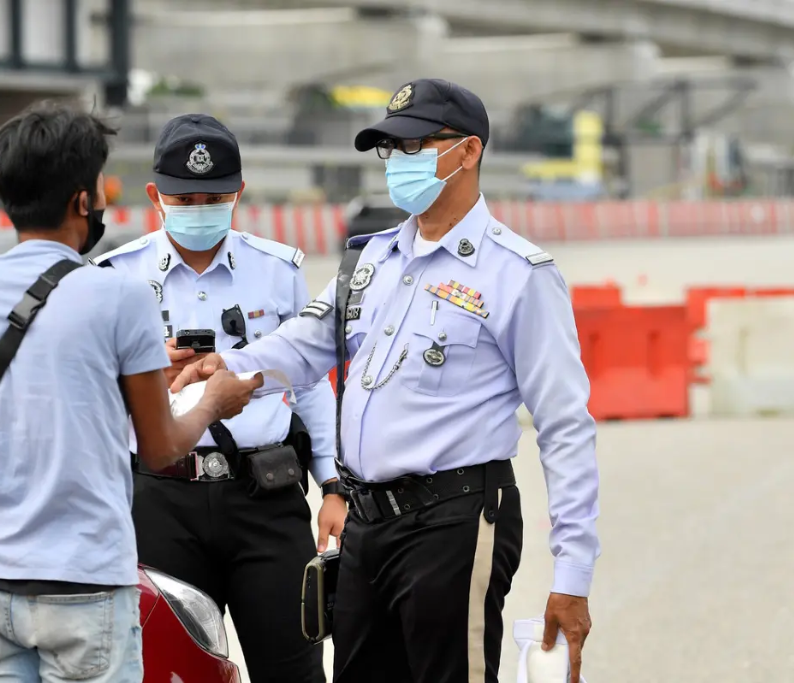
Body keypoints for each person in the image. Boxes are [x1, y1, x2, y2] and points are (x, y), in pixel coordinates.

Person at [172, 79, 600, 683]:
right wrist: (230, 367)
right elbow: (306, 343)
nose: (399, 160)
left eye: (416, 145)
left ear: (469, 151)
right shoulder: (371, 260)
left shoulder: (517, 274)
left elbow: (565, 426)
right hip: (367, 524)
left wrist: (572, 575)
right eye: (391, 148)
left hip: (454, 521)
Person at [0, 101, 262, 683]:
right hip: (85, 580)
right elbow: (160, 447)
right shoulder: (118, 296)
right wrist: (211, 404)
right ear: (83, 200)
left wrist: (15, 491)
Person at [90, 113, 343, 683]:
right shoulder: (116, 276)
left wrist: (332, 485)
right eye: (185, 199)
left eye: (214, 198)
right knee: (168, 670)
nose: (199, 209)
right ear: (155, 196)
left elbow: (308, 383)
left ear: (238, 194)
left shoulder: (276, 271)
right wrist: (146, 371)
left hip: (265, 498)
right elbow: (94, 397)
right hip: (159, 501)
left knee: (294, 669)